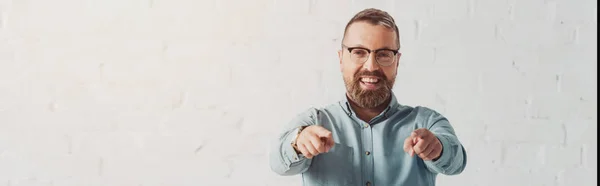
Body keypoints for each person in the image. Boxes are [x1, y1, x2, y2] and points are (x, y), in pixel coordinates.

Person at [269, 8, 467, 186]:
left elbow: (456, 163)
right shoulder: (315, 121)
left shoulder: (426, 122)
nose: (371, 66)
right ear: (341, 59)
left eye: (383, 54)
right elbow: (278, 163)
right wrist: (298, 142)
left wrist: (438, 148)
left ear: (397, 61)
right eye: (359, 52)